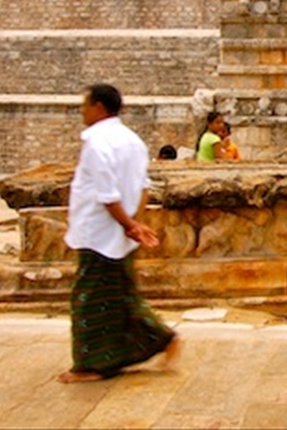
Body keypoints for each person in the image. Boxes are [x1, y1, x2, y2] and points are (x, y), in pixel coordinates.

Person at [57, 83, 180, 383]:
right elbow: (143, 187)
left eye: (85, 105)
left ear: (99, 107)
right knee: (122, 295)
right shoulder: (133, 141)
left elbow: (107, 195)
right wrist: (135, 224)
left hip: (97, 233)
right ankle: (161, 339)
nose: (82, 111)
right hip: (120, 235)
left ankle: (90, 366)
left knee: (87, 299)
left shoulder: (96, 144)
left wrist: (130, 226)